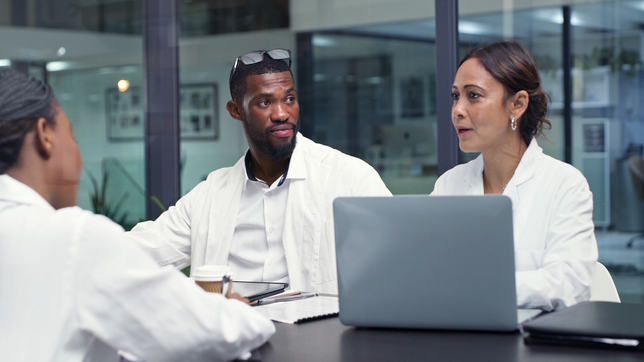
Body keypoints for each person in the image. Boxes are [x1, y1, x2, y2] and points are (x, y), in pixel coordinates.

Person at [0, 68, 274, 361]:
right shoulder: (74, 238)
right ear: (45, 135)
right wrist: (237, 311)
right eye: (73, 137)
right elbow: (207, 332)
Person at [127, 49, 391, 294]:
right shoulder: (210, 195)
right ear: (235, 111)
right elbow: (137, 253)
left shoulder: (348, 177)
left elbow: (397, 256)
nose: (281, 113)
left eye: (289, 99)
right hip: (237, 336)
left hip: (318, 337)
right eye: (264, 103)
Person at [431, 40, 598, 311]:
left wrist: (480, 288)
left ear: (517, 104)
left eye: (473, 95)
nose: (457, 110)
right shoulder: (449, 184)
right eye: (455, 96)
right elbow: (428, 270)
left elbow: (570, 285)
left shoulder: (564, 184)